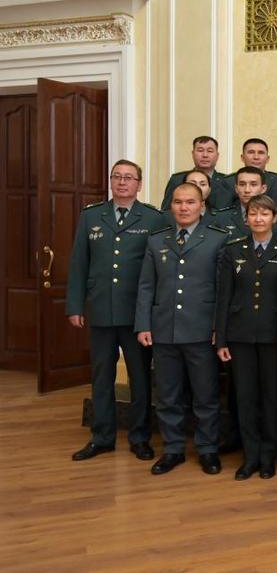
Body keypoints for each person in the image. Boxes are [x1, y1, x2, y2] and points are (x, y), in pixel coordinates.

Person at [67, 160, 165, 462]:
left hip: (137, 314)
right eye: (117, 177)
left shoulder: (152, 218)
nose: (122, 182)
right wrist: (74, 305)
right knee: (101, 376)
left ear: (139, 184)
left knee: (139, 378)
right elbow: (78, 264)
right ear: (111, 181)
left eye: (129, 178)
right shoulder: (91, 216)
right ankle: (102, 436)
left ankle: (140, 438)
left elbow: (161, 269)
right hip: (100, 310)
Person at [135, 182, 231, 475]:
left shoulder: (217, 239)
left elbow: (221, 290)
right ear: (171, 206)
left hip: (201, 330)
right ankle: (173, 449)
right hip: (164, 329)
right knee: (168, 395)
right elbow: (146, 285)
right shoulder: (156, 240)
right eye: (178, 202)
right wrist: (143, 324)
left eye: (190, 202)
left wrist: (218, 328)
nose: (184, 208)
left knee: (205, 396)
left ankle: (207, 449)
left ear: (202, 206)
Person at [215, 195, 277, 481]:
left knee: (272, 398)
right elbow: (223, 297)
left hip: (274, 337)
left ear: (275, 217)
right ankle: (250, 456)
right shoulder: (233, 249)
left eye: (264, 213)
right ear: (245, 218)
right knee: (245, 398)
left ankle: (268, 457)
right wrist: (221, 339)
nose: (258, 218)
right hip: (240, 336)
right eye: (253, 213)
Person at [160, 135, 233, 211]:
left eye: (210, 151)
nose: (205, 155)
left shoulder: (227, 182)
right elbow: (166, 212)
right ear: (193, 154)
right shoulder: (177, 179)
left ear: (217, 155)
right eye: (200, 150)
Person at [213, 166, 269, 239]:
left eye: (253, 184)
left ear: (263, 189)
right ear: (236, 188)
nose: (247, 190)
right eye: (242, 184)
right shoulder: (221, 218)